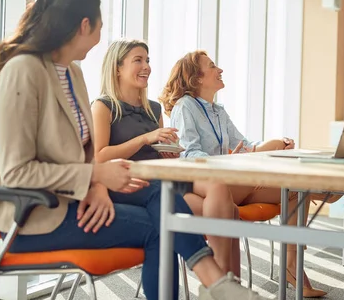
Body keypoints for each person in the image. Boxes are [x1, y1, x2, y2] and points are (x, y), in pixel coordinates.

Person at [0, 0, 284, 300]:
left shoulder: (72, 73)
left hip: (75, 200)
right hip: (34, 217)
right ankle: (215, 286)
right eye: (99, 27)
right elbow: (18, 173)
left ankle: (215, 289)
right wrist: (95, 177)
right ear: (84, 25)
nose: (99, 38)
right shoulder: (23, 71)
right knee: (161, 225)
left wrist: (95, 187)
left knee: (160, 203)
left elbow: (81, 153)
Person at [160, 50, 341, 298]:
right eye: (213, 66)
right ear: (196, 78)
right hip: (209, 185)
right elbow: (187, 156)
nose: (220, 70)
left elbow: (245, 145)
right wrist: (229, 160)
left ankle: (291, 266)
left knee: (297, 192)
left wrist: (276, 143)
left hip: (235, 180)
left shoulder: (218, 110)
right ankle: (323, 188)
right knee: (297, 186)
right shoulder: (185, 107)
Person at [91, 38, 242, 282]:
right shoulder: (104, 106)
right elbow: (99, 156)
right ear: (117, 68)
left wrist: (169, 151)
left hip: (167, 179)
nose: (146, 66)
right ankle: (223, 285)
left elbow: (160, 151)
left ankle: (225, 287)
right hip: (139, 188)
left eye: (148, 60)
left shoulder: (153, 108)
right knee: (230, 212)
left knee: (218, 185)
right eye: (138, 60)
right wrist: (144, 139)